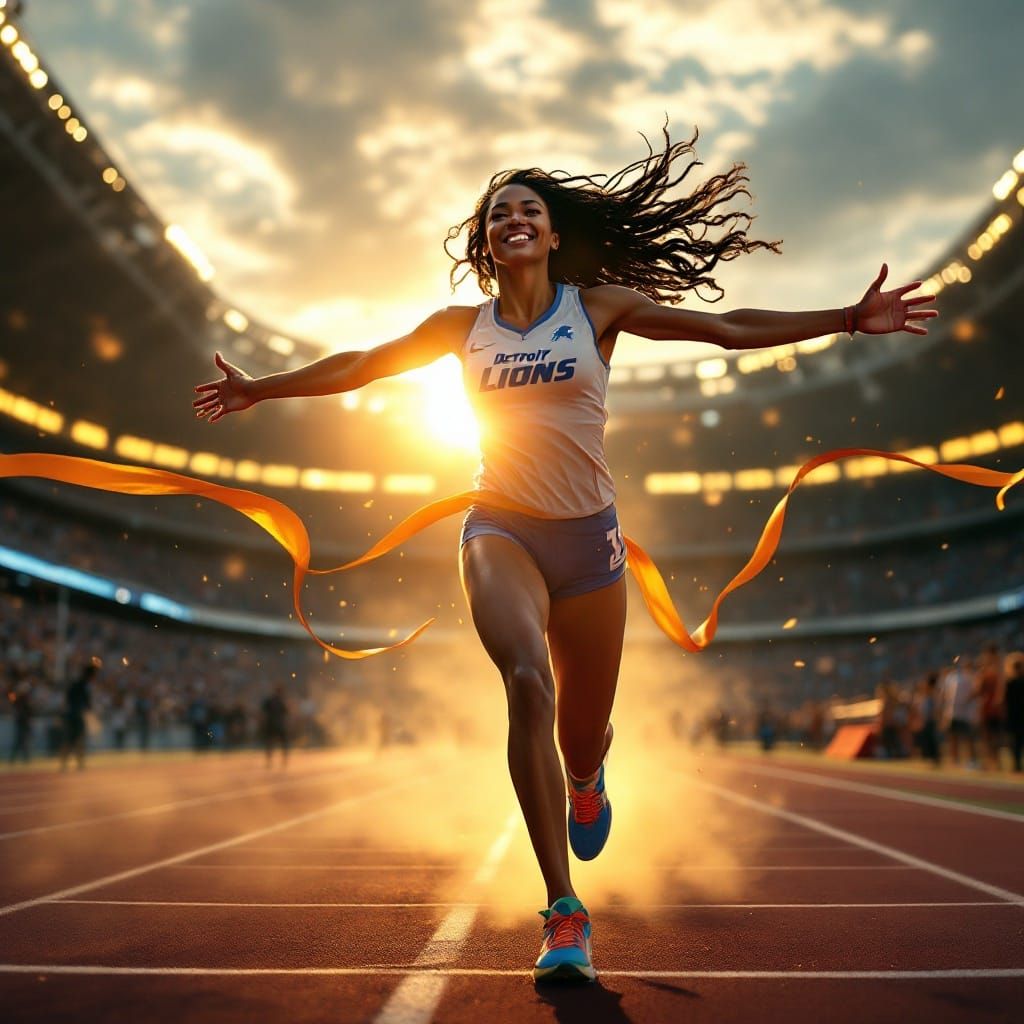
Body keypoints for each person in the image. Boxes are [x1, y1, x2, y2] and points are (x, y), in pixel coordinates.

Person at [192, 126, 937, 982]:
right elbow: (363, 364)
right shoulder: (458, 327)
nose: (514, 218)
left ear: (551, 235)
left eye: (530, 210)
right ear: (486, 243)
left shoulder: (599, 309)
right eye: (499, 212)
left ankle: (588, 771)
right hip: (498, 526)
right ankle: (563, 909)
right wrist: (261, 387)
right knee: (525, 682)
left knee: (580, 732)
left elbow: (726, 328)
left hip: (591, 546)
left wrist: (847, 318)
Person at [60, 660, 96, 772]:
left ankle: (66, 764)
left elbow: (67, 699)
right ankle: (79, 764)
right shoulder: (85, 686)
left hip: (71, 714)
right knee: (77, 740)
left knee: (70, 740)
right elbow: (88, 704)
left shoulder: (76, 684)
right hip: (78, 716)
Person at [1004, 651, 1024, 773]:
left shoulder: (1010, 682)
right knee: (1017, 741)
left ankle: (1016, 765)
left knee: (1016, 741)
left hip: (1014, 715)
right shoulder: (1011, 682)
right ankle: (1017, 764)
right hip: (1017, 715)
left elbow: (1003, 700)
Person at [261, 684, 290, 767]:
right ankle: (283, 761)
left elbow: (263, 713)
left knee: (270, 744)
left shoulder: (270, 700)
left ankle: (269, 761)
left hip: (271, 725)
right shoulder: (281, 701)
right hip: (279, 725)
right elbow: (287, 713)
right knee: (282, 744)